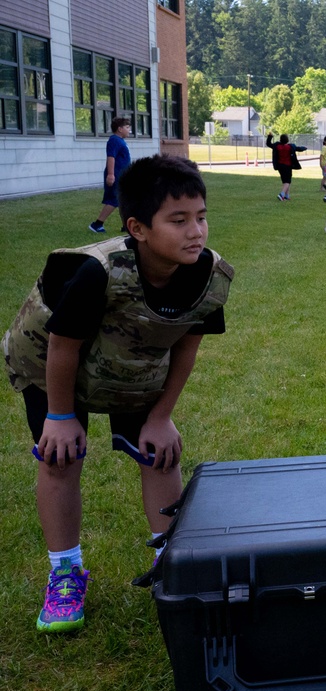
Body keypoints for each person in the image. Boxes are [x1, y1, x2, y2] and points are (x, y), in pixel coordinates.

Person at [3, 155, 233, 633]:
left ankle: (173, 560)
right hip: (52, 367)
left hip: (128, 363)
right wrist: (61, 417)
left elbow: (187, 346)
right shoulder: (97, 273)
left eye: (201, 217)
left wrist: (161, 415)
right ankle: (65, 572)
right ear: (138, 228)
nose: (197, 231)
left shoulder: (206, 275)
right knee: (59, 458)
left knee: (160, 452)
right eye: (179, 220)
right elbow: (63, 348)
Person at [89, 116, 131, 234]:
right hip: (115, 175)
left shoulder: (120, 141)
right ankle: (97, 224)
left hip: (122, 176)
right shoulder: (114, 140)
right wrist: (111, 174)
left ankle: (126, 225)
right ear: (119, 129)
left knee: (123, 200)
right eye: (127, 127)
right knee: (114, 199)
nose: (129, 130)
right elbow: (111, 157)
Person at [265, 132, 306, 201]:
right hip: (288, 166)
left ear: (280, 139)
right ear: (287, 140)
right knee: (288, 181)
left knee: (285, 181)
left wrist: (270, 136)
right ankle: (282, 194)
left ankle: (287, 196)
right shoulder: (290, 147)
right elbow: (298, 148)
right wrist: (304, 148)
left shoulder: (277, 146)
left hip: (280, 166)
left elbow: (268, 144)